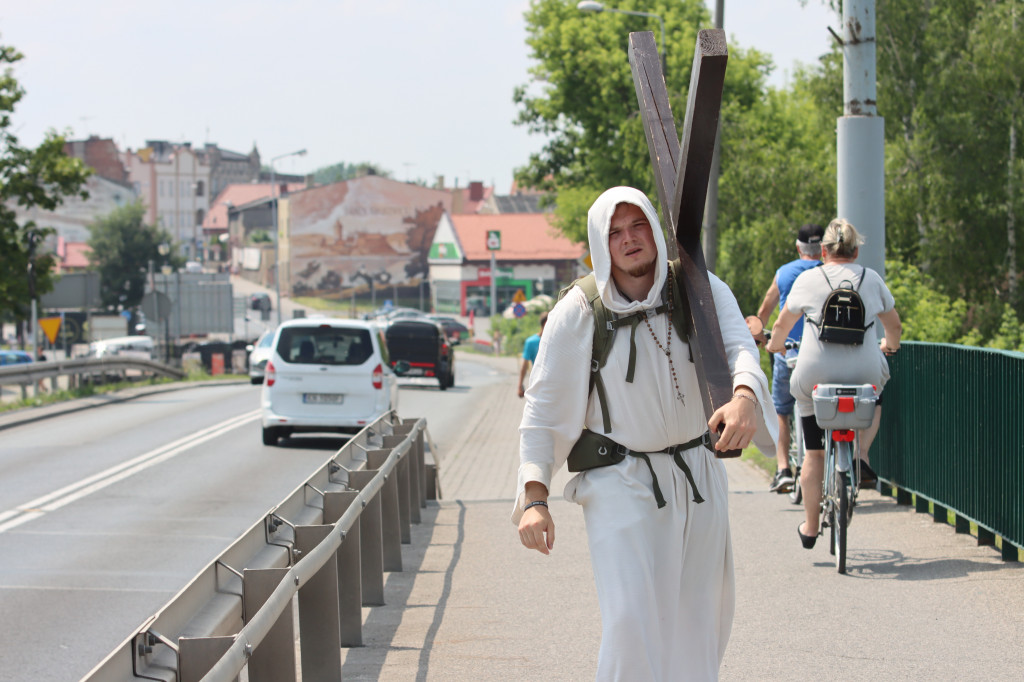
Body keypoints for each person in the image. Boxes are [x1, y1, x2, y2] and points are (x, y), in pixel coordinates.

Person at [514, 187, 777, 680]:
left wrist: (744, 396)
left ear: (654, 229)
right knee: (630, 618)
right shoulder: (578, 311)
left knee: (700, 620)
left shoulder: (698, 288)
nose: (629, 240)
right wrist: (535, 498)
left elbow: (742, 347)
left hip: (697, 472)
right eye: (615, 233)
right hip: (619, 478)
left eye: (637, 226)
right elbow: (542, 411)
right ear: (600, 243)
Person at [766, 218, 902, 549]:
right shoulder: (872, 279)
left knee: (812, 453)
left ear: (823, 251)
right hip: (864, 373)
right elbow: (894, 326)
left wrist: (773, 345)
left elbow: (783, 324)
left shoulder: (809, 279)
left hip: (815, 376)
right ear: (856, 251)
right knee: (876, 392)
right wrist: (890, 347)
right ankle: (863, 456)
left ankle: (811, 527)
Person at [755, 223, 824, 493]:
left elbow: (765, 309)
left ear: (798, 248)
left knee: (781, 410)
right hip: (823, 354)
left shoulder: (784, 273)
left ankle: (783, 469)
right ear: (823, 249)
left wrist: (759, 335)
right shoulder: (827, 272)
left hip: (790, 352)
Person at [517, 311, 548, 398]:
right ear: (546, 323)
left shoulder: (555, 340)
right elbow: (524, 366)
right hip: (537, 382)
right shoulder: (531, 342)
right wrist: (520, 385)